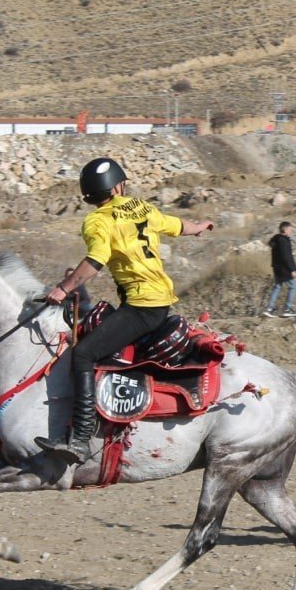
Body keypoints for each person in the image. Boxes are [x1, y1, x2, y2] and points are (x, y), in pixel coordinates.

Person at [36, 157, 214, 464]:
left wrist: (63, 288)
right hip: (156, 301)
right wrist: (199, 227)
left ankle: (80, 438)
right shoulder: (142, 207)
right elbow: (175, 225)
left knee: (83, 354)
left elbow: (96, 260)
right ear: (119, 185)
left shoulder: (97, 221)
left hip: (143, 307)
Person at [263, 221, 296, 318]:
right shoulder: (284, 241)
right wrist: (292, 269)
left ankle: (269, 309)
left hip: (277, 268)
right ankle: (288, 309)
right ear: (286, 229)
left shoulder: (276, 240)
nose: (291, 231)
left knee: (277, 287)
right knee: (293, 286)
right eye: (290, 229)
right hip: (285, 269)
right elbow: (287, 256)